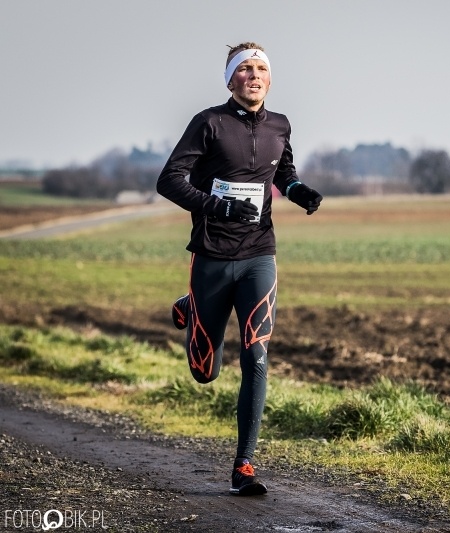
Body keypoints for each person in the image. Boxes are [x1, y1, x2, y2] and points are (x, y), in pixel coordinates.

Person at [156, 41, 322, 496]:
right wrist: (217, 206)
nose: (253, 75)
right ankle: (193, 307)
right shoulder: (208, 123)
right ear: (230, 80)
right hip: (211, 255)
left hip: (258, 256)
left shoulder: (281, 125)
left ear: (269, 79)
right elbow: (169, 180)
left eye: (260, 69)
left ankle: (244, 466)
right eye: (244, 69)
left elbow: (282, 173)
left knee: (257, 354)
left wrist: (300, 190)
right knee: (204, 372)